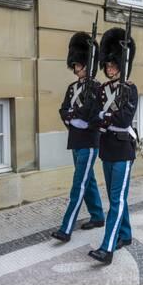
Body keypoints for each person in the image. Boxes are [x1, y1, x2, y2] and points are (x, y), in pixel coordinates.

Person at [87, 27, 138, 265]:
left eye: (113, 65)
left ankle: (107, 248)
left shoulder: (130, 89)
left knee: (116, 200)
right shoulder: (103, 89)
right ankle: (125, 235)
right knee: (117, 197)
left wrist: (105, 119)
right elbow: (95, 118)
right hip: (107, 150)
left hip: (123, 151)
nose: (109, 69)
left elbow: (124, 120)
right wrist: (106, 119)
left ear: (122, 65)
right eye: (106, 66)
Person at [51, 32, 105, 242]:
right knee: (88, 179)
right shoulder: (72, 88)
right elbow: (64, 110)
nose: (75, 69)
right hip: (75, 140)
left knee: (79, 183)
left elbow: (91, 113)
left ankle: (66, 229)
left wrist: (77, 116)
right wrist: (72, 119)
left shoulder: (98, 88)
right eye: (74, 65)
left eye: (79, 65)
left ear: (87, 65)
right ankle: (98, 215)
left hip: (90, 142)